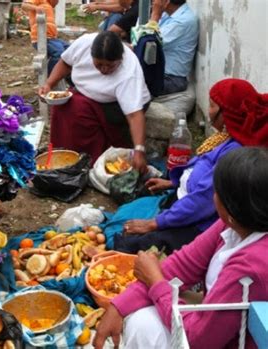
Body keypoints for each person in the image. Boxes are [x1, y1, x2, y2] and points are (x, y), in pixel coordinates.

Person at [93, 146, 268, 349]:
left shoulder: (252, 266)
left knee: (142, 323)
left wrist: (155, 281)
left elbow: (197, 339)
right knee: (140, 308)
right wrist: (119, 306)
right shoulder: (232, 224)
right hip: (214, 325)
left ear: (231, 206)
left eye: (216, 191)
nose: (213, 197)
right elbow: (182, 265)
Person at [114, 79, 268, 254]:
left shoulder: (234, 156)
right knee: (129, 210)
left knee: (129, 243)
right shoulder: (227, 137)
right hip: (186, 199)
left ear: (226, 115)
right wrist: (173, 182)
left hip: (200, 222)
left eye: (211, 106)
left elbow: (203, 200)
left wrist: (154, 224)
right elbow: (202, 169)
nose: (208, 111)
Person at [38, 31, 151, 172]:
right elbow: (65, 63)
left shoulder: (129, 74)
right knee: (62, 106)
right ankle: (65, 153)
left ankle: (90, 159)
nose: (104, 69)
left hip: (116, 105)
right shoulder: (84, 43)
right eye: (99, 64)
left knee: (80, 112)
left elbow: (134, 115)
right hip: (87, 94)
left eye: (110, 66)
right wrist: (49, 84)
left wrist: (139, 151)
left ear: (120, 59)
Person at [150, 0, 198, 95]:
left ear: (166, 2)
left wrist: (154, 15)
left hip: (171, 79)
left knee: (131, 87)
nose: (153, 2)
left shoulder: (182, 21)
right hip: (159, 72)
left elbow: (148, 43)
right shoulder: (169, 14)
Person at [22, 0, 69, 76]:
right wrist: (36, 8)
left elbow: (55, 3)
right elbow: (24, 6)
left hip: (53, 38)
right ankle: (49, 76)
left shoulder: (49, 5)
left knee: (70, 50)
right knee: (59, 52)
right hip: (42, 38)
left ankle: (68, 78)